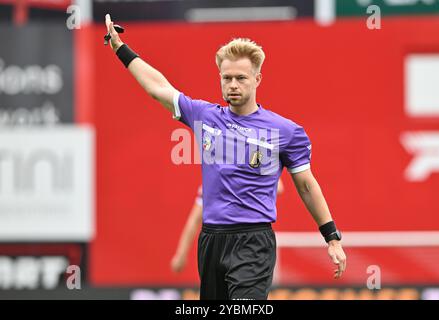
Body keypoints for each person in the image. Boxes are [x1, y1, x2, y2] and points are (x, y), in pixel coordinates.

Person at [104, 14, 346, 300]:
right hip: (211, 240)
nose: (233, 84)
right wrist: (120, 48)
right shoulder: (205, 116)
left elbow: (306, 185)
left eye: (241, 78)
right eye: (227, 78)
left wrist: (331, 237)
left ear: (257, 79)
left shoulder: (285, 131)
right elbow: (158, 87)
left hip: (253, 240)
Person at [171, 180, 285, 273]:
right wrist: (181, 254)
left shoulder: (255, 164)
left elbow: (279, 186)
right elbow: (194, 220)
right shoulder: (213, 184)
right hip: (219, 246)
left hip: (250, 244)